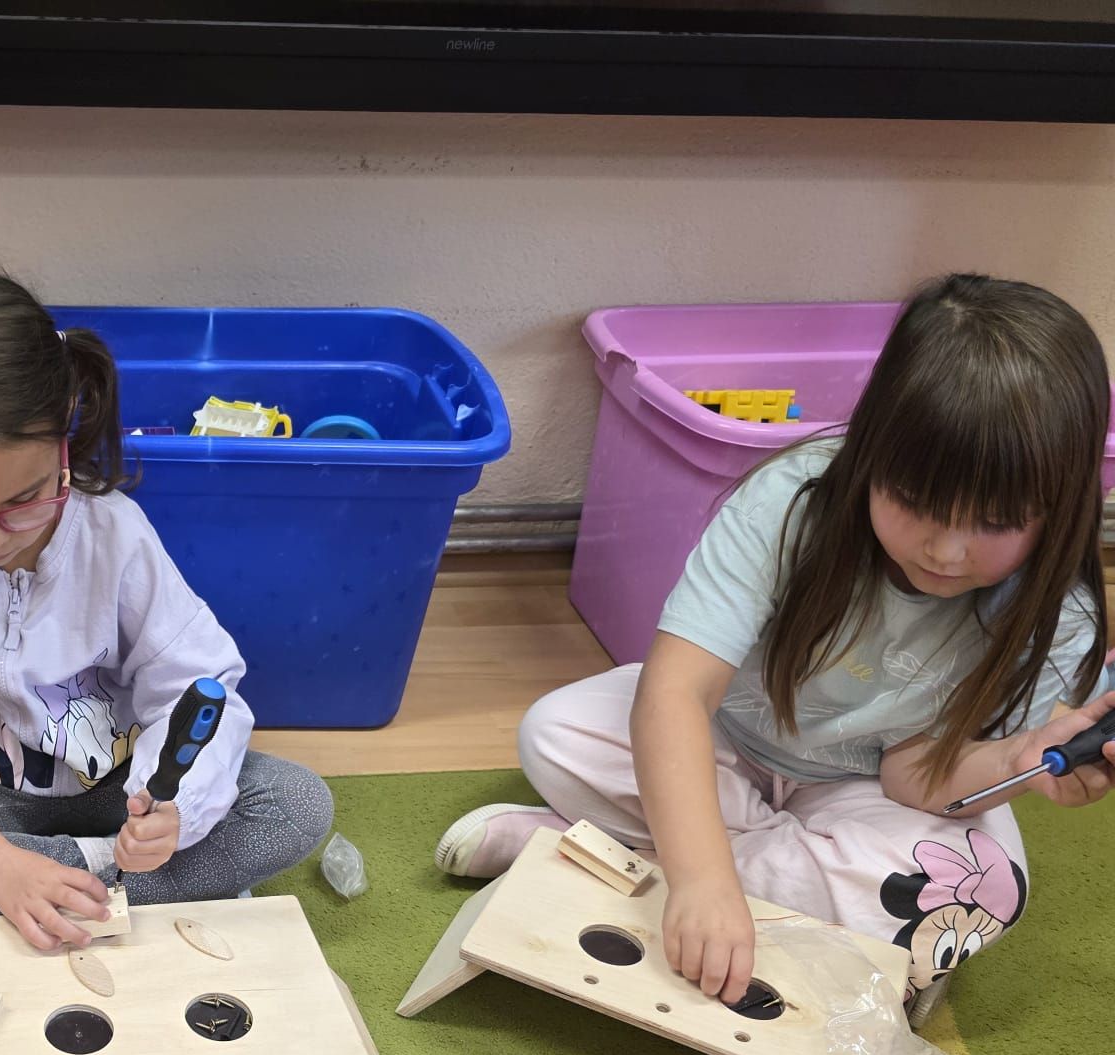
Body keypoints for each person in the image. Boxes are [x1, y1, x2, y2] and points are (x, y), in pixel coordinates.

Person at [436, 273, 1112, 1006]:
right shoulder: (791, 500)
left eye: (996, 522)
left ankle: (612, 856)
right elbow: (677, 693)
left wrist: (1016, 759)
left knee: (987, 889)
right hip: (731, 737)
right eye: (915, 502)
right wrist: (702, 882)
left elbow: (913, 777)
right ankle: (750, 890)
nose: (946, 552)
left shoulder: (1060, 612)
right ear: (870, 454)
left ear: (1062, 504)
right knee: (557, 732)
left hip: (867, 791)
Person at [0, 267, 334, 1003]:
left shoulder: (112, 532)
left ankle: (23, 912)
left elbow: (194, 682)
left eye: (25, 498)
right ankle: (116, 897)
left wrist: (174, 810)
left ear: (64, 435)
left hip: (125, 787)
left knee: (297, 803)